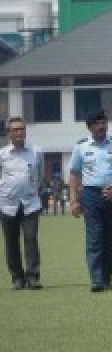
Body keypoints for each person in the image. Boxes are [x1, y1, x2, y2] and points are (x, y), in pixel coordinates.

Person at [68, 110, 112, 292]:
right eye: (97, 124)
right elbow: (74, 174)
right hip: (90, 195)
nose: (102, 127)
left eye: (104, 123)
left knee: (109, 237)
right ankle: (96, 280)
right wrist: (73, 200)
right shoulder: (81, 147)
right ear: (90, 127)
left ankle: (106, 279)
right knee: (95, 237)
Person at [1, 117, 43, 289]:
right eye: (15, 129)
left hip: (30, 203)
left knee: (31, 238)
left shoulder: (36, 151)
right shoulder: (2, 154)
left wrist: (32, 189)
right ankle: (17, 277)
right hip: (7, 204)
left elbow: (39, 175)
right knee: (11, 241)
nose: (19, 132)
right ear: (8, 133)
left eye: (22, 129)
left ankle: (32, 276)